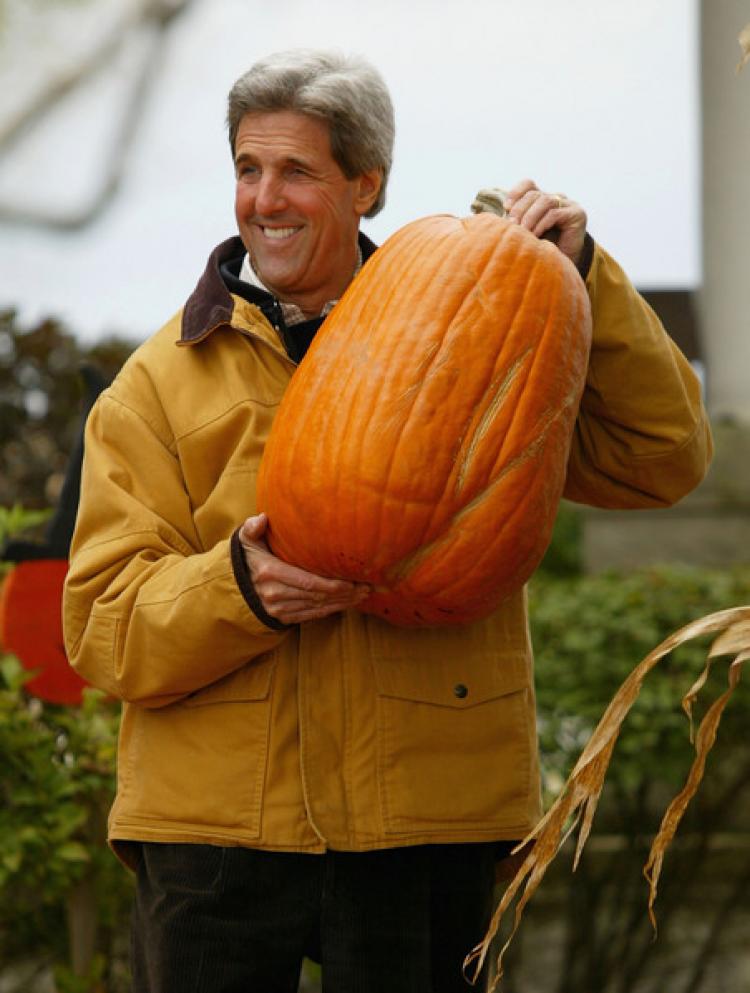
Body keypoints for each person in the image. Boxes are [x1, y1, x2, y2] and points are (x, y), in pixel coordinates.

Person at [62, 49, 712, 993]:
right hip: (216, 835)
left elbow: (663, 457)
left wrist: (585, 277)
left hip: (424, 822)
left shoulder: (486, 338)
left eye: (297, 171)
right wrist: (240, 588)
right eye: (248, 169)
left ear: (367, 183)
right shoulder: (156, 384)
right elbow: (101, 624)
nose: (264, 199)